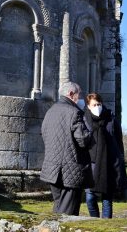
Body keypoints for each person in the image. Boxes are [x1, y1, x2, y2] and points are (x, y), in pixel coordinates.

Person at [40, 81, 93, 215]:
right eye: (78, 94)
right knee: (68, 214)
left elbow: (44, 135)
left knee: (58, 208)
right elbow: (83, 140)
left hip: (52, 170)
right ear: (71, 94)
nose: (80, 98)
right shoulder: (75, 112)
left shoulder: (50, 112)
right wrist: (90, 131)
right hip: (70, 171)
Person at [84, 93, 127, 218]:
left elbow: (119, 140)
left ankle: (106, 224)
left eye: (99, 104)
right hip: (92, 162)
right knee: (90, 198)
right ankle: (95, 221)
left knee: (107, 199)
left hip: (109, 162)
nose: (97, 107)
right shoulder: (85, 119)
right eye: (94, 105)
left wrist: (119, 157)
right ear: (88, 106)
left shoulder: (111, 119)